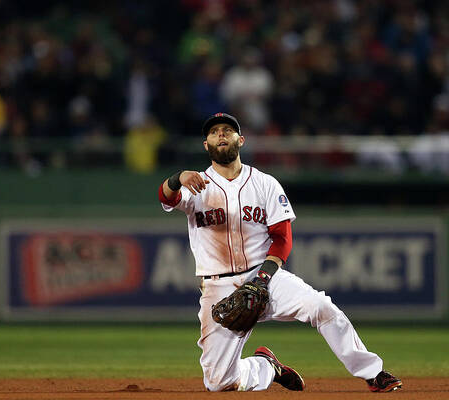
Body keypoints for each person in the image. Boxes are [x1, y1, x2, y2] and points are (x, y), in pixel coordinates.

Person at [157, 112, 402, 393]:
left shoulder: (265, 183)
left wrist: (262, 278)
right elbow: (166, 196)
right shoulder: (195, 183)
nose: (221, 134)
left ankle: (373, 372)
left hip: (265, 277)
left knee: (321, 307)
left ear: (241, 140)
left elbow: (282, 239)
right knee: (218, 383)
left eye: (227, 130)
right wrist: (178, 177)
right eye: (214, 132)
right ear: (206, 145)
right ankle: (266, 366)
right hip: (218, 287)